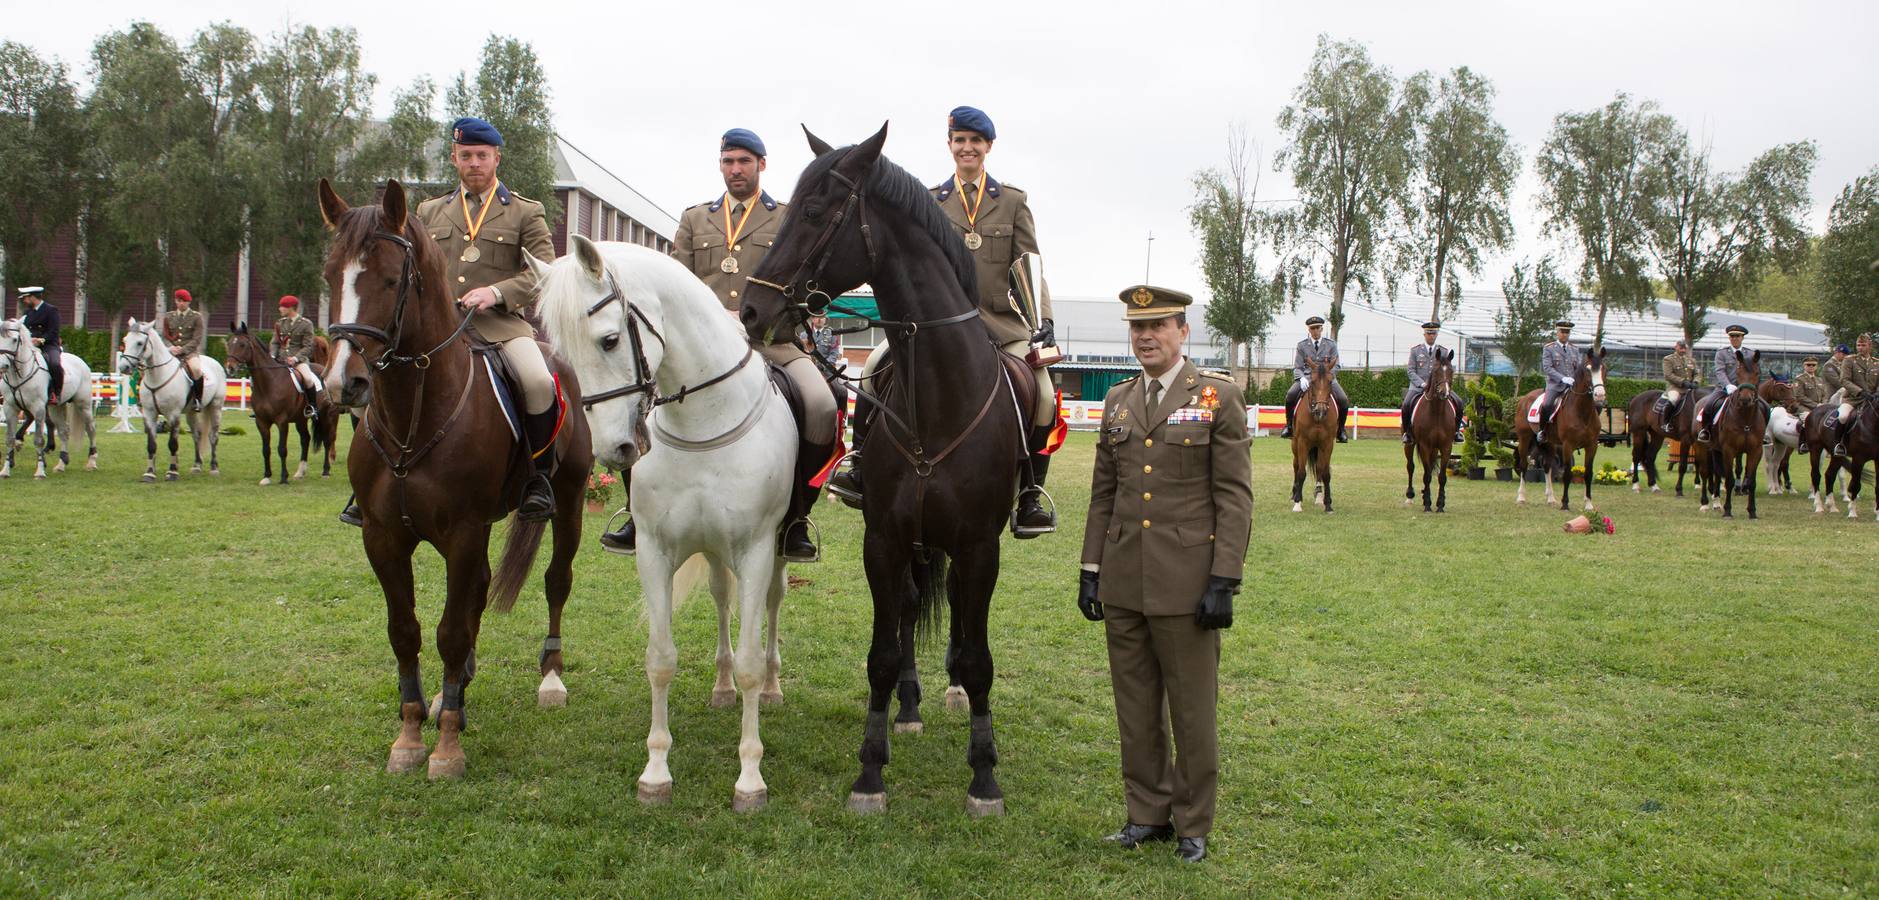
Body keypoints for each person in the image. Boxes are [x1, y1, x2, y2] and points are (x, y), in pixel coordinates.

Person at [1078, 284, 1250, 865]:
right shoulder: (1119, 401)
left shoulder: (1216, 398)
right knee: (1135, 704)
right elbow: (1104, 494)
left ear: (1183, 331)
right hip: (1125, 578)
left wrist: (1224, 578)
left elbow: (1234, 497)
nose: (1145, 337)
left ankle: (1193, 823)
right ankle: (1146, 813)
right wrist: (1091, 568)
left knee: (1192, 710)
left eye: (1158, 327)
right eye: (1137, 328)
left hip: (1188, 583)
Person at [830, 105, 1059, 536]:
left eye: (975, 141)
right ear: (950, 145)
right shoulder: (928, 200)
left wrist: (1040, 318)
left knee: (1043, 393)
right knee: (874, 366)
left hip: (1001, 327)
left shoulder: (1012, 202)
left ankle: (1030, 493)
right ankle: (859, 464)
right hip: (936, 327)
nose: (967, 148)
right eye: (960, 140)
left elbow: (1029, 262)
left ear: (988, 147)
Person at [621, 126, 834, 562]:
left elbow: (805, 278)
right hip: (698, 352)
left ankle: (795, 516)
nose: (735, 170)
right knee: (633, 403)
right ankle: (634, 513)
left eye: (744, 162)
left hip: (771, 341)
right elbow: (673, 284)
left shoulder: (787, 216)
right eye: (728, 162)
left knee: (822, 406)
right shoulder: (695, 219)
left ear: (762, 164)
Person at [360, 116, 558, 527]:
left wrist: (496, 293)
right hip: (436, 328)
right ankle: (366, 480)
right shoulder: (429, 211)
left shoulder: (525, 211)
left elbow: (543, 270)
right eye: (465, 155)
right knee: (383, 378)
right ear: (454, 158)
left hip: (499, 325)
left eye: (482, 155)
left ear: (496, 158)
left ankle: (538, 478)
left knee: (538, 381)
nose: (474, 163)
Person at [1278, 316, 1349, 442]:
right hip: (1307, 377)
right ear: (1309, 330)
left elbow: (1337, 365)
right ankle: (1289, 427)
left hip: (1326, 379)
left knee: (1343, 400)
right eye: (1312, 328)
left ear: (1322, 329)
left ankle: (1341, 431)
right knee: (1290, 395)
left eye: (1318, 328)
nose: (1315, 331)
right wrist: (1301, 378)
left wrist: (1328, 376)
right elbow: (1297, 367)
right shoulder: (1302, 346)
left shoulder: (1331, 345)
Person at [1401, 321, 1464, 443]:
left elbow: (1447, 370)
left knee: (1459, 403)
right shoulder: (1416, 351)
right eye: (1429, 333)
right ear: (1424, 334)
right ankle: (1408, 433)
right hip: (1418, 387)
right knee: (1406, 405)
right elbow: (1411, 371)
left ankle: (1456, 432)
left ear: (1436, 335)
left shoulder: (1443, 351)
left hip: (1439, 387)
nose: (1431, 336)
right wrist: (1422, 384)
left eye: (1434, 333)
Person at [1695, 324, 1757, 443]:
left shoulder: (1750, 354)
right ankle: (1705, 430)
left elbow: (1754, 372)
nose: (1734, 338)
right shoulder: (1722, 353)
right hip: (1724, 389)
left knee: (1764, 407)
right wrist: (1728, 385)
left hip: (1746, 390)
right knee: (1709, 405)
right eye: (1732, 336)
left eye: (1737, 336)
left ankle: (1763, 433)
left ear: (1742, 337)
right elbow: (1720, 371)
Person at [1824, 332, 1877, 457]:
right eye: (1858, 345)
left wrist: (1876, 394)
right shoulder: (1849, 360)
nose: (1860, 348)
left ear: (1870, 346)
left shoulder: (1876, 363)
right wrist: (1860, 391)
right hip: (1853, 399)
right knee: (1842, 416)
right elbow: (1844, 380)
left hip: (1872, 400)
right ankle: (1839, 444)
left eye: (1863, 345)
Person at [271, 296, 321, 417]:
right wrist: (272, 356)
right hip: (280, 360)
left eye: (283, 306)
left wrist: (295, 358)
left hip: (299, 361)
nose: (280, 309)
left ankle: (312, 407)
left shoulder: (306, 324)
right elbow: (275, 343)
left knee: (308, 379)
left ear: (291, 308)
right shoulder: (280, 323)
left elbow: (308, 346)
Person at [161, 288, 207, 409]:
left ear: (188, 302)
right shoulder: (168, 316)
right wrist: (170, 347)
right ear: (176, 301)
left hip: (189, 352)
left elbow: (197, 339)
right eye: (178, 300)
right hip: (171, 352)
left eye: (184, 301)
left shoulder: (196, 317)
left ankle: (197, 399)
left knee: (196, 369)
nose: (181, 303)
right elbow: (165, 335)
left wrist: (182, 350)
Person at [1534, 320, 1578, 446]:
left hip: (1572, 386)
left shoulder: (1575, 349)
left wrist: (1575, 379)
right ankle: (1542, 431)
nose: (1565, 334)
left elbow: (1578, 368)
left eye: (1567, 332)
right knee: (1547, 405)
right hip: (1555, 385)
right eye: (1562, 332)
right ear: (1557, 332)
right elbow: (1547, 368)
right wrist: (1563, 378)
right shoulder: (1549, 348)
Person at [17, 286, 65, 401]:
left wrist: (40, 340)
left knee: (55, 364)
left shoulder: (51, 310)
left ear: (33, 297)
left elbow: (54, 331)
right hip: (30, 345)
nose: (24, 301)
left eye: (26, 298)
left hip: (48, 345)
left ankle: (56, 393)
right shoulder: (28, 312)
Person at [1654, 339, 1701, 434]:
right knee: (1674, 399)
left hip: (1690, 388)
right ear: (1676, 347)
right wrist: (1683, 382)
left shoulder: (1691, 360)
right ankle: (1666, 422)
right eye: (1681, 348)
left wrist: (1696, 381)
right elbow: (1668, 375)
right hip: (1675, 387)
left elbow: (1698, 373)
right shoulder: (1668, 359)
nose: (1683, 350)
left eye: (1684, 348)